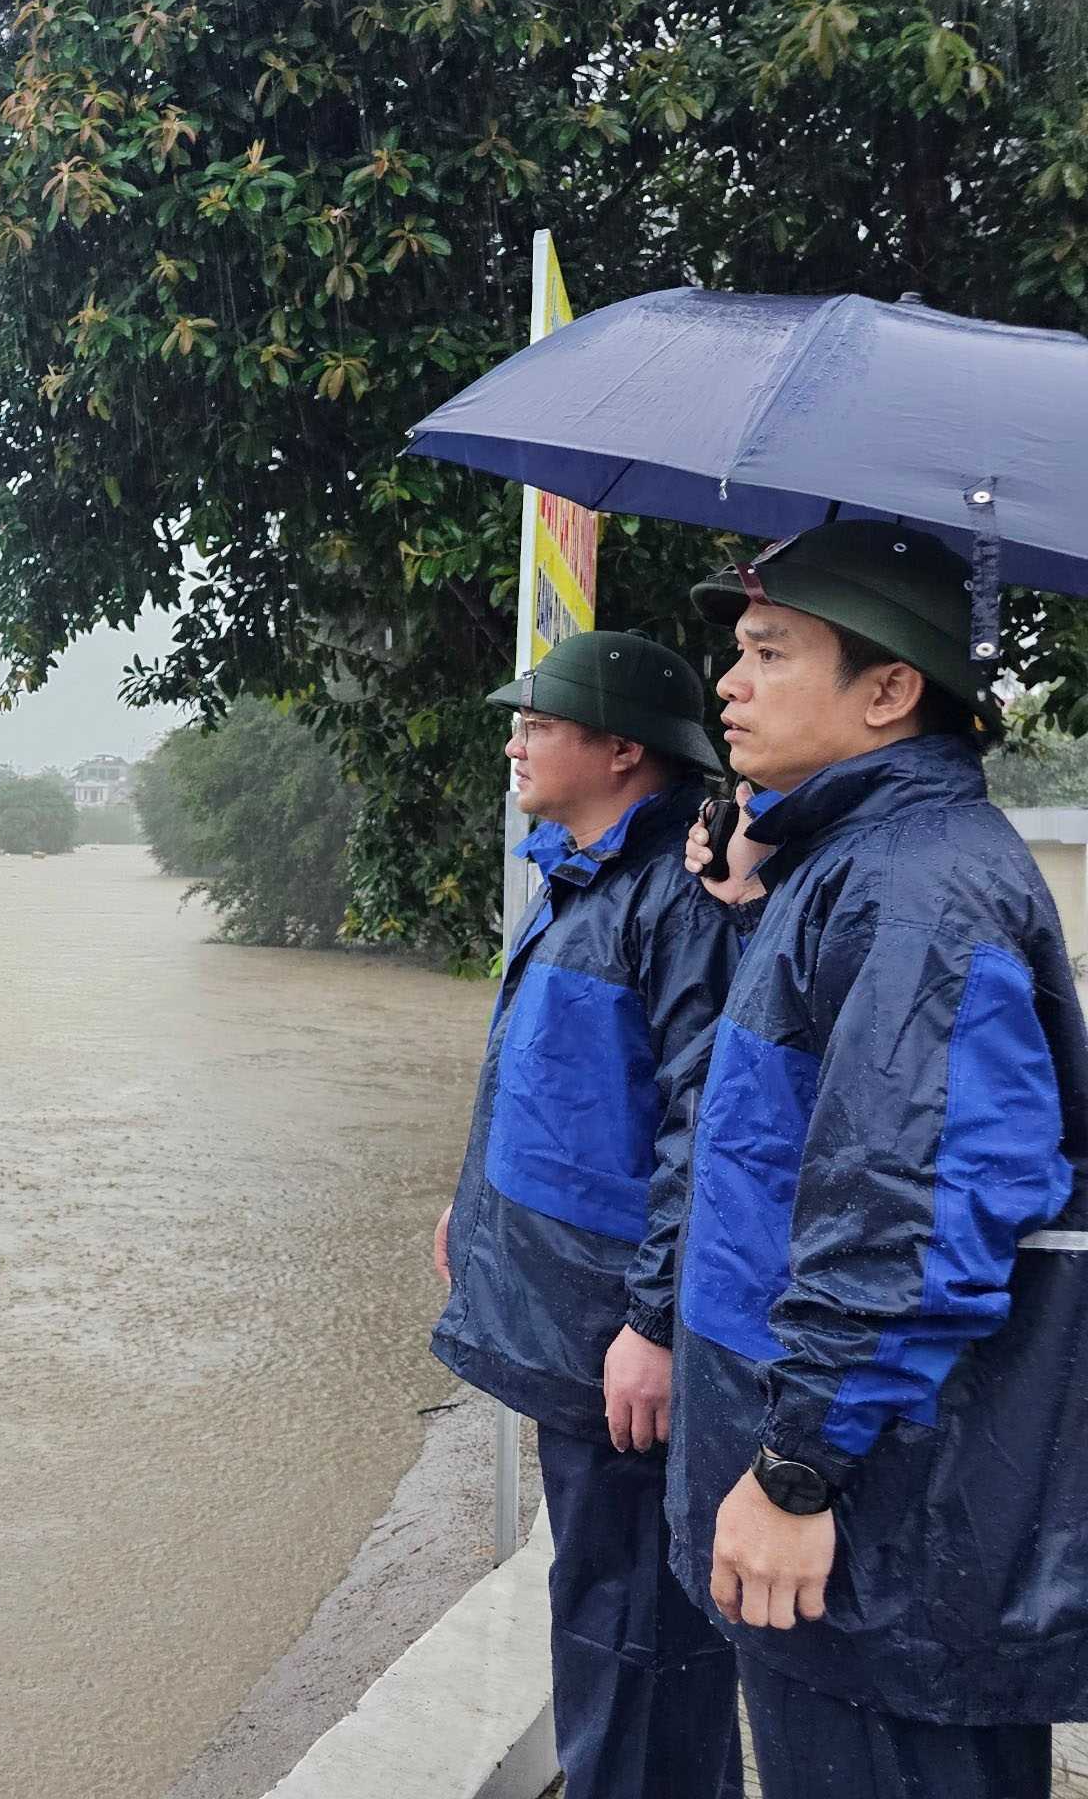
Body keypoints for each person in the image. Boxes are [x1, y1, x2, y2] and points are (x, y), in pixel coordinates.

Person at [674, 520, 1088, 1799]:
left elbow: (906, 1219)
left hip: (886, 1530)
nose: (727, 684)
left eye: (765, 651)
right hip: (864, 1518)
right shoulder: (849, 866)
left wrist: (796, 1470)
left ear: (890, 690)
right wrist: (751, 886)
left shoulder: (917, 894)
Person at [432, 628, 745, 1799]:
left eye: (539, 724)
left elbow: (706, 1128)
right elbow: (550, 1082)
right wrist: (464, 1208)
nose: (513, 740)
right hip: (573, 1324)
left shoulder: (674, 898)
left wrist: (656, 1325)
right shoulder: (579, 873)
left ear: (621, 751)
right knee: (606, 1603)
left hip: (618, 1341)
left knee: (632, 1625)